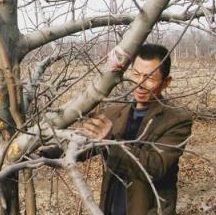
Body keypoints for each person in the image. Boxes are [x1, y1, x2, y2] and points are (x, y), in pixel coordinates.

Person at [42, 43, 192, 215]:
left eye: (149, 77)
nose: (140, 84)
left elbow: (156, 167)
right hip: (111, 206)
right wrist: (45, 150)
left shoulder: (176, 120)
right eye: (136, 74)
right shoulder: (114, 112)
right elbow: (83, 147)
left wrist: (111, 141)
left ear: (166, 82)